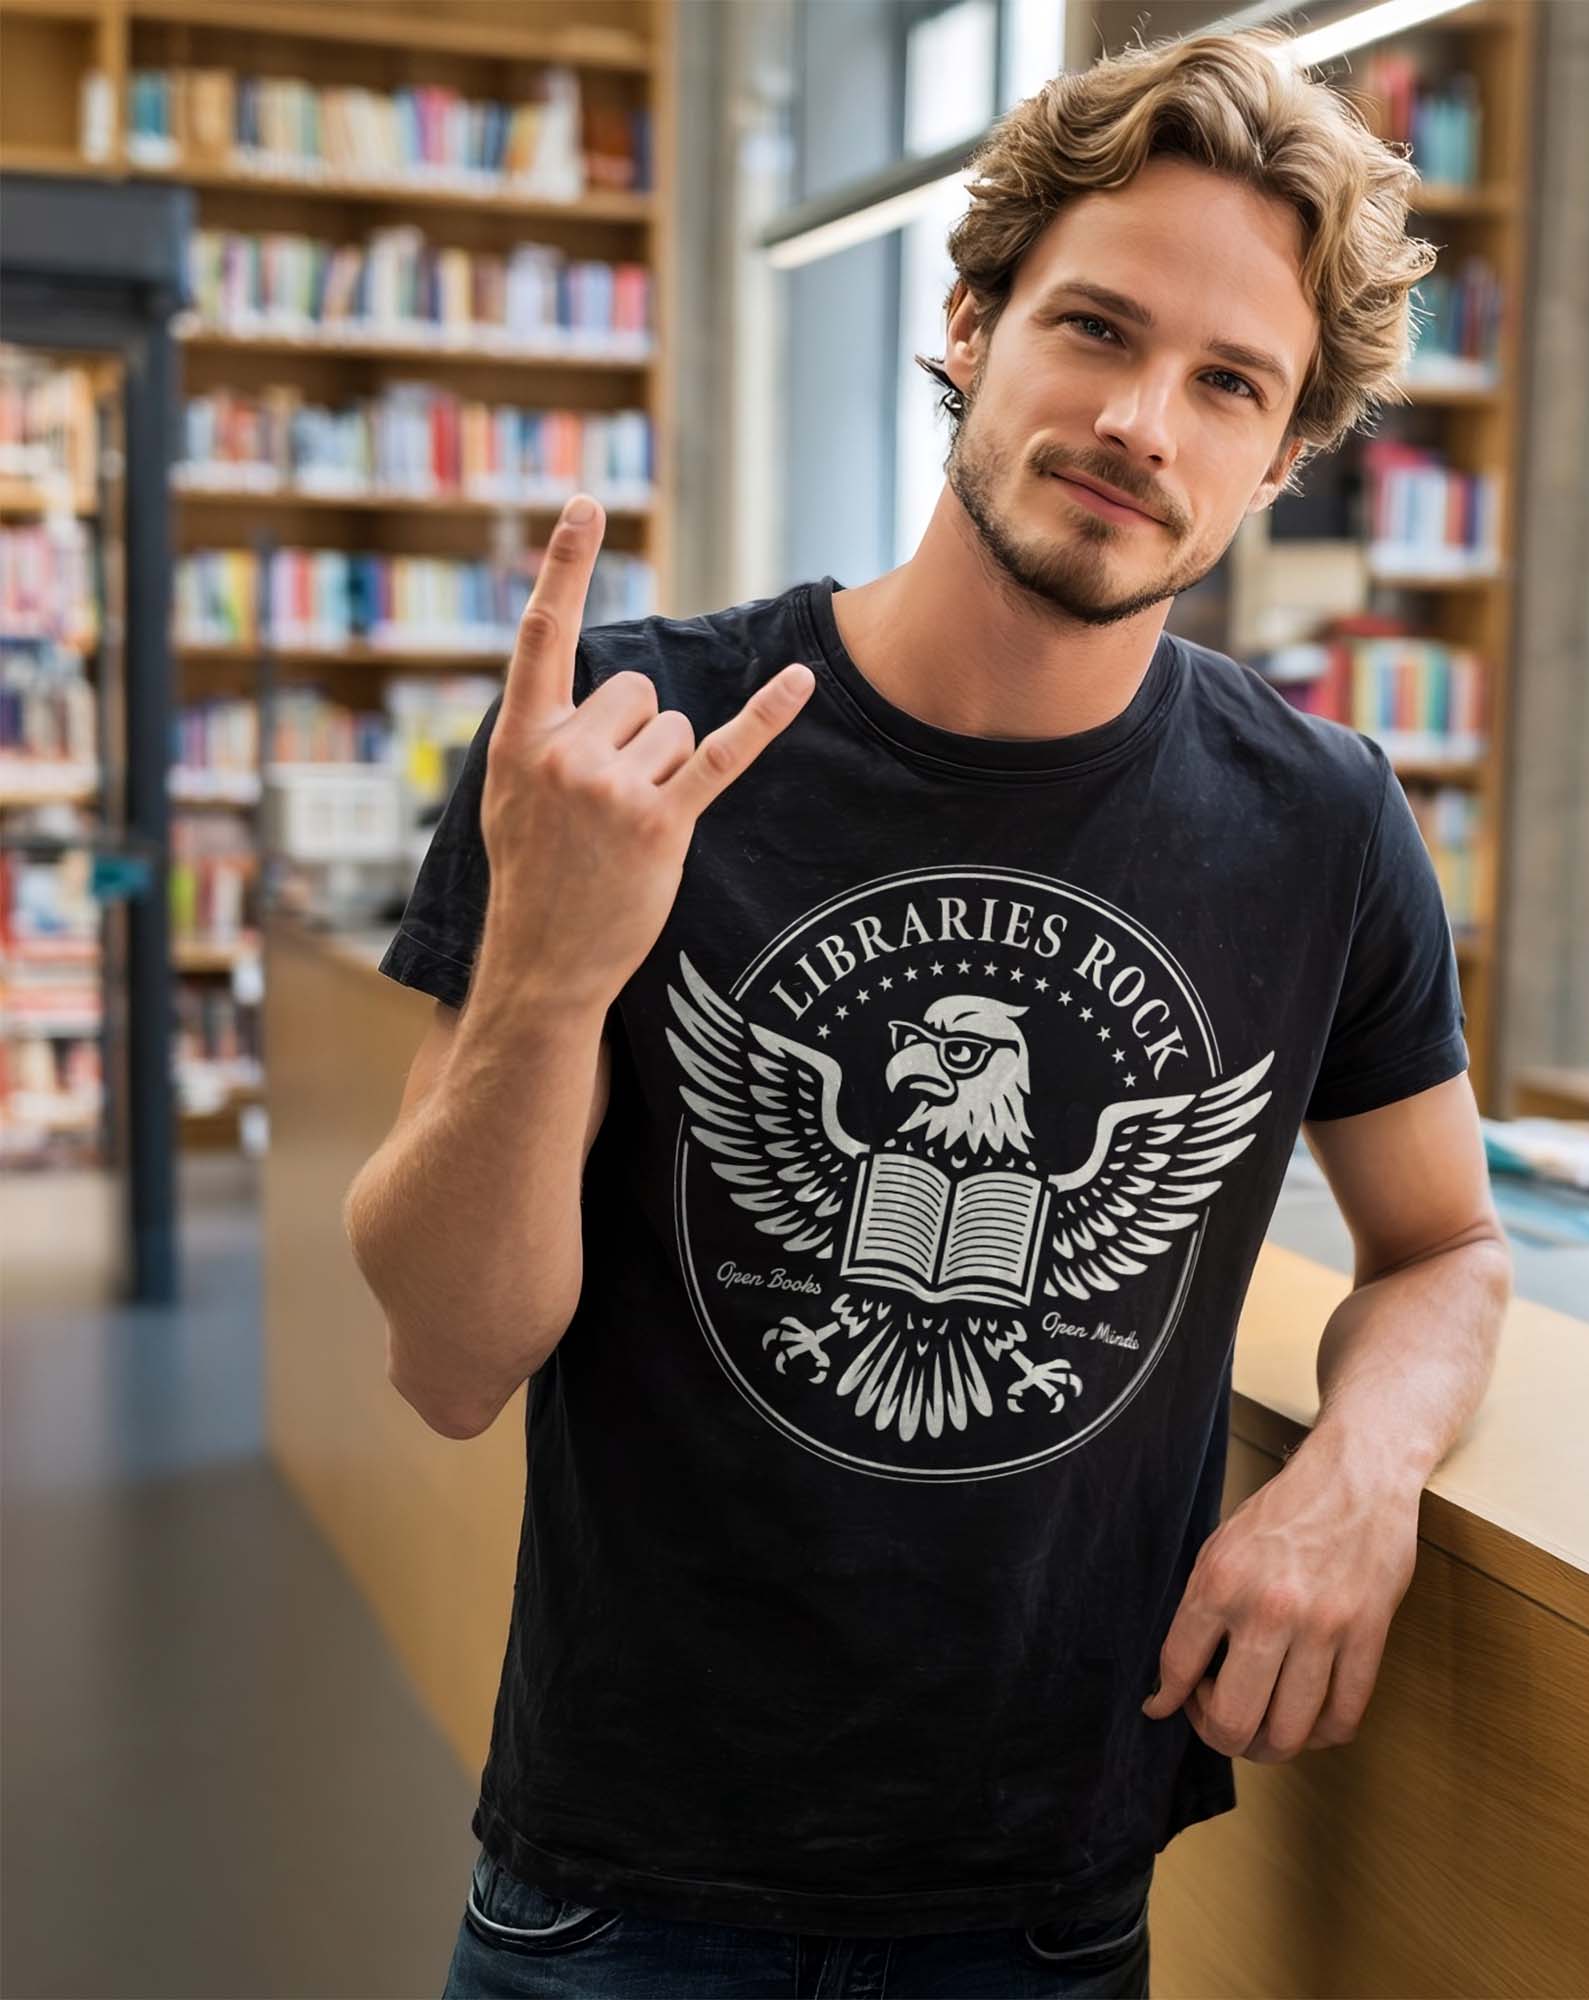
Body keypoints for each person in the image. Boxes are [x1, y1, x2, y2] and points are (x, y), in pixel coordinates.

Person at [344, 22, 1512, 1999]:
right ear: (970, 322)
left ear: (1284, 453)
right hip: (617, 1882)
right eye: (1095, 329)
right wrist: (550, 967)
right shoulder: (627, 738)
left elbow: (1448, 1247)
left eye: (1229, 382)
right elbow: (452, 1355)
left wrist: (1355, 1470)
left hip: (1040, 1896)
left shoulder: (1319, 822)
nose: (1144, 419)